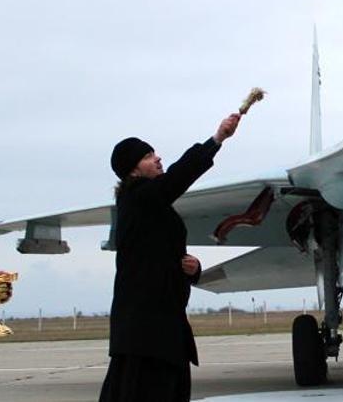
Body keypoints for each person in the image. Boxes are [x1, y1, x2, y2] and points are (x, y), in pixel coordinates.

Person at [99, 113, 241, 402]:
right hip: (145, 328)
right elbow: (178, 177)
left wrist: (193, 268)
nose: (158, 159)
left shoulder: (153, 204)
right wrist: (216, 140)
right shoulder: (138, 198)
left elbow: (163, 252)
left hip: (161, 323)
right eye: (149, 156)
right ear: (133, 170)